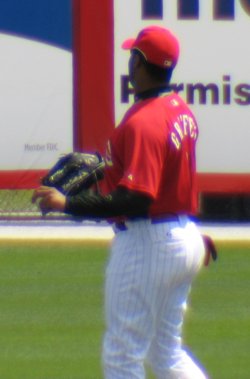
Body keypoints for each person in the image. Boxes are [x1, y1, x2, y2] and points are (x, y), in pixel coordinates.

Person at [32, 25, 209, 379]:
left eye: (133, 55)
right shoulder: (179, 109)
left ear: (140, 63)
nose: (129, 62)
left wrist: (69, 204)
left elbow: (138, 197)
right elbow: (167, 180)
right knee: (166, 353)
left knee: (122, 355)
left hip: (148, 242)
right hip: (181, 233)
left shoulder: (145, 122)